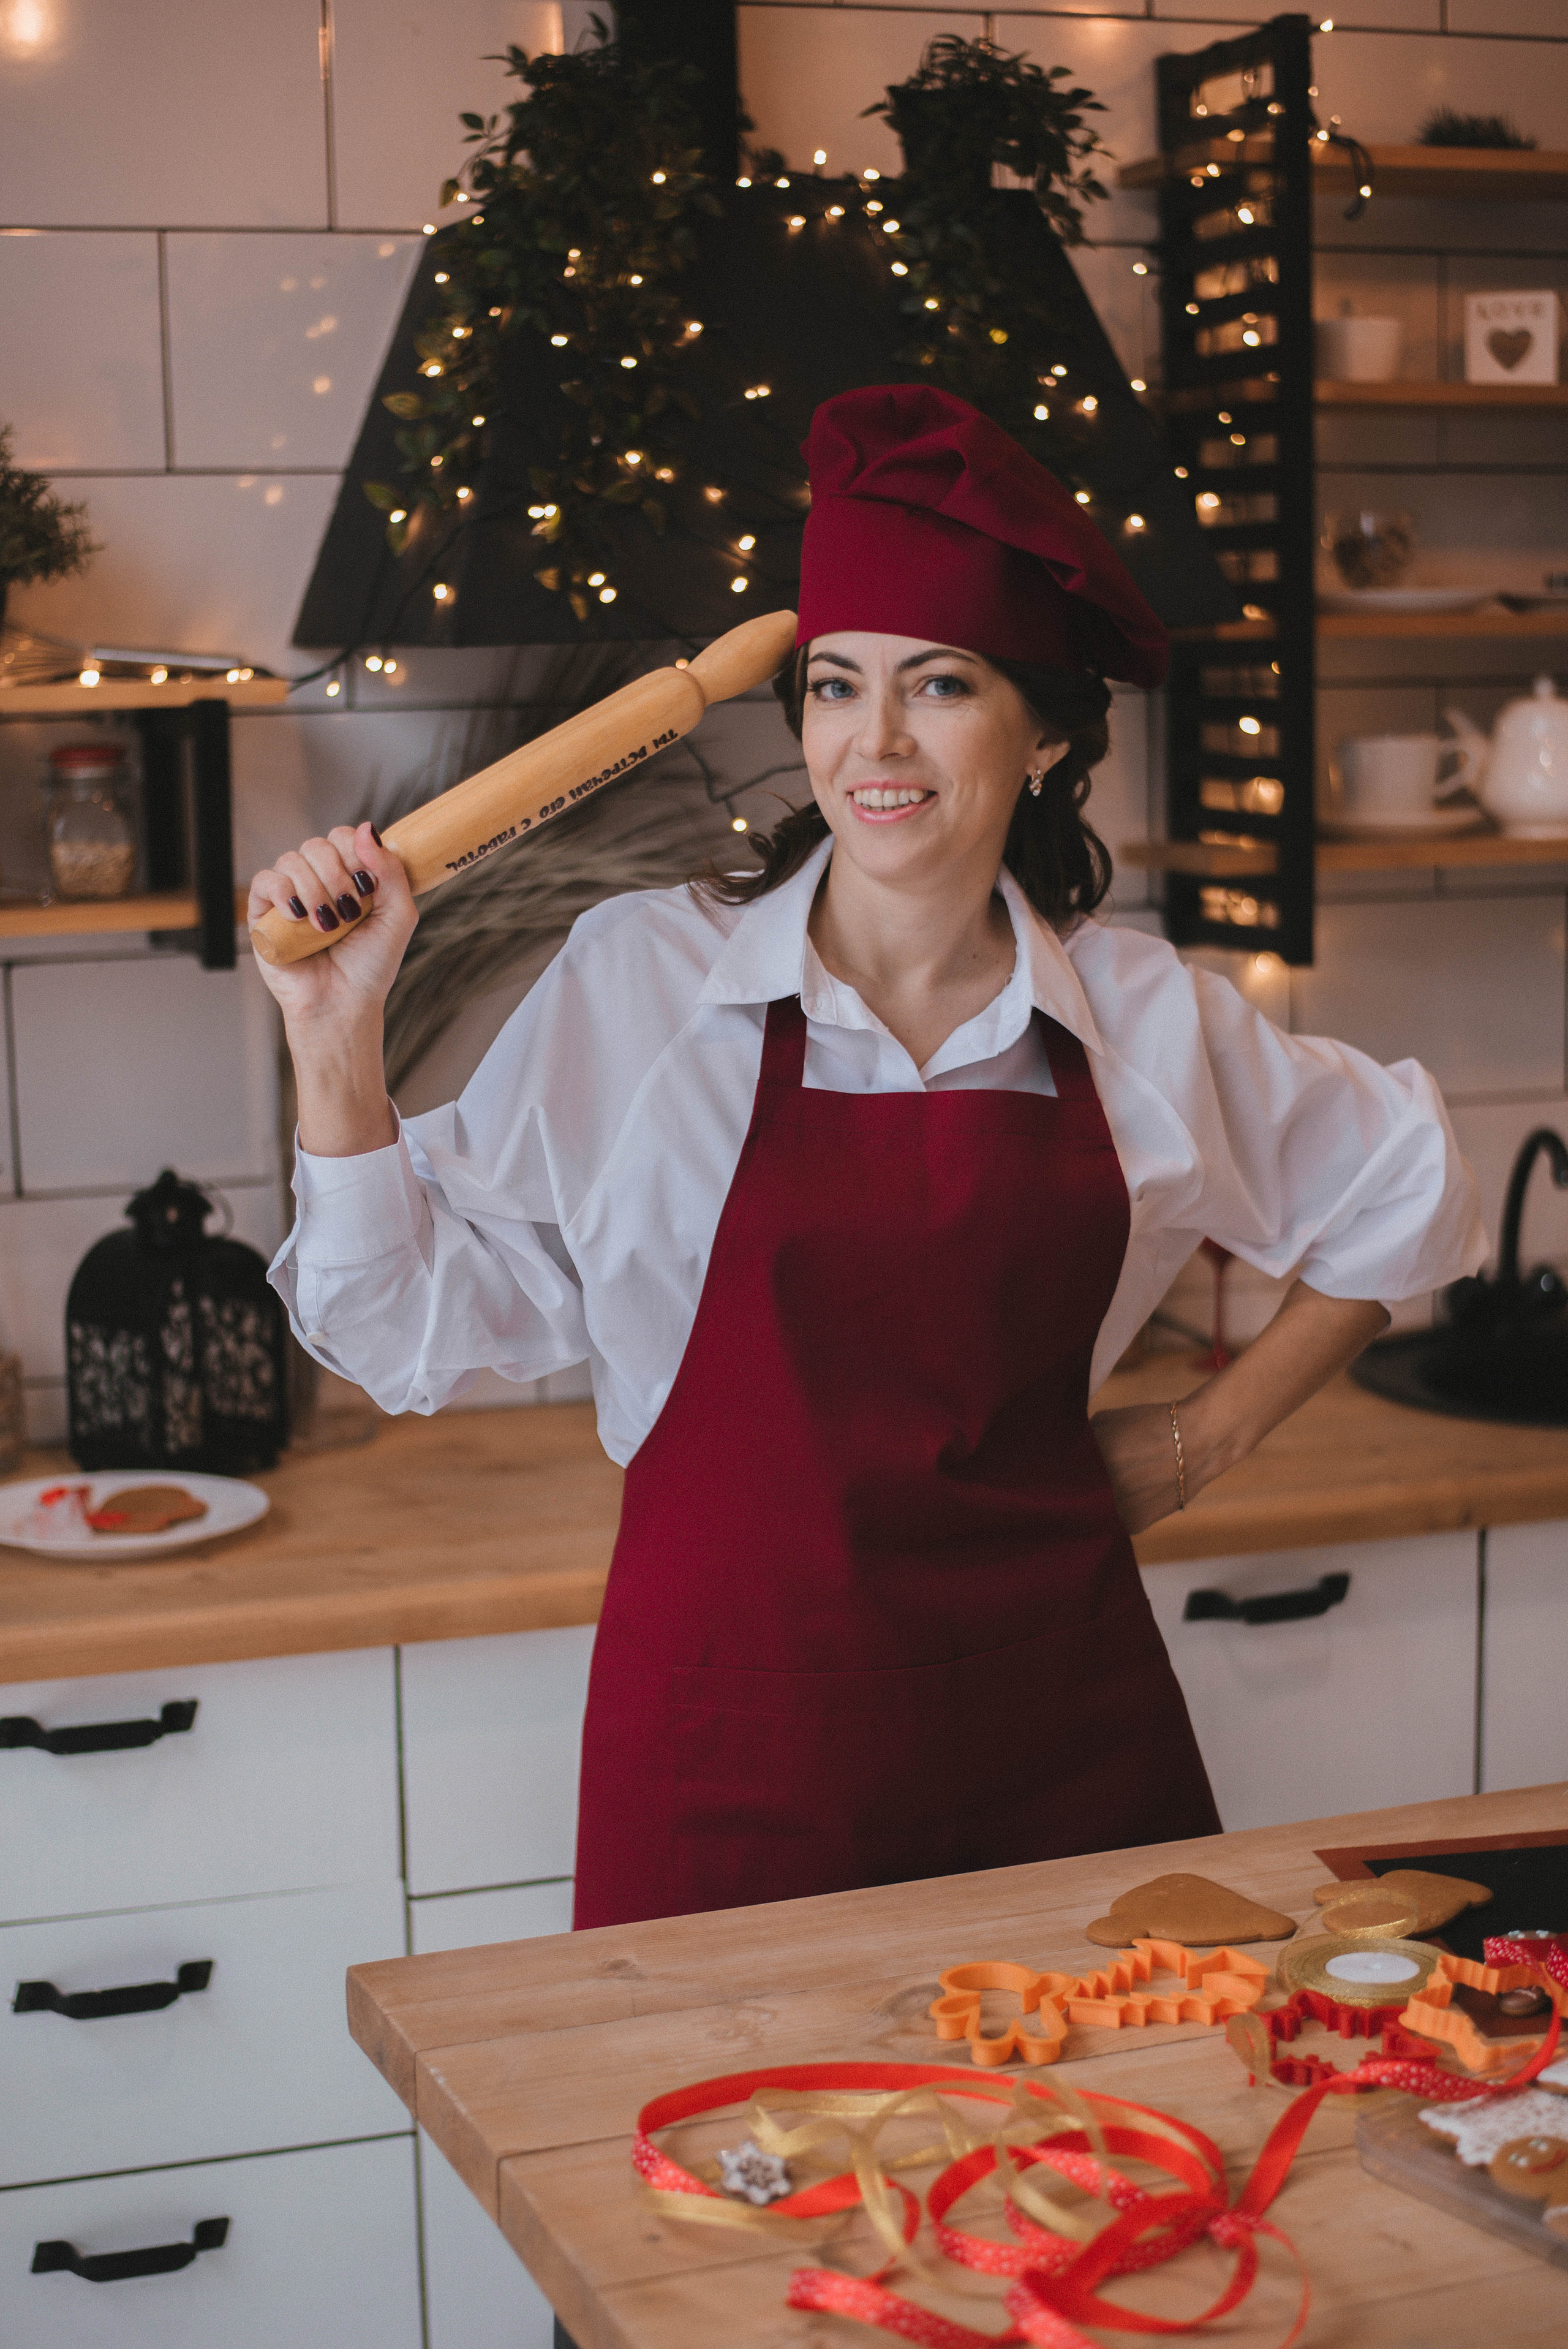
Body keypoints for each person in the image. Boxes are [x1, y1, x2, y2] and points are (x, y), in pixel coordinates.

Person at [253, 385, 1484, 1931]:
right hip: (726, 1748)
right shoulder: (642, 981)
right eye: (835, 686)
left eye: (939, 683)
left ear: (1043, 734)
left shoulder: (1139, 1018)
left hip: (1060, 1737)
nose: (874, 741)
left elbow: (1409, 1183)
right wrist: (334, 1037)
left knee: (1116, 2086)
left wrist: (1205, 1436)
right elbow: (397, 1325)